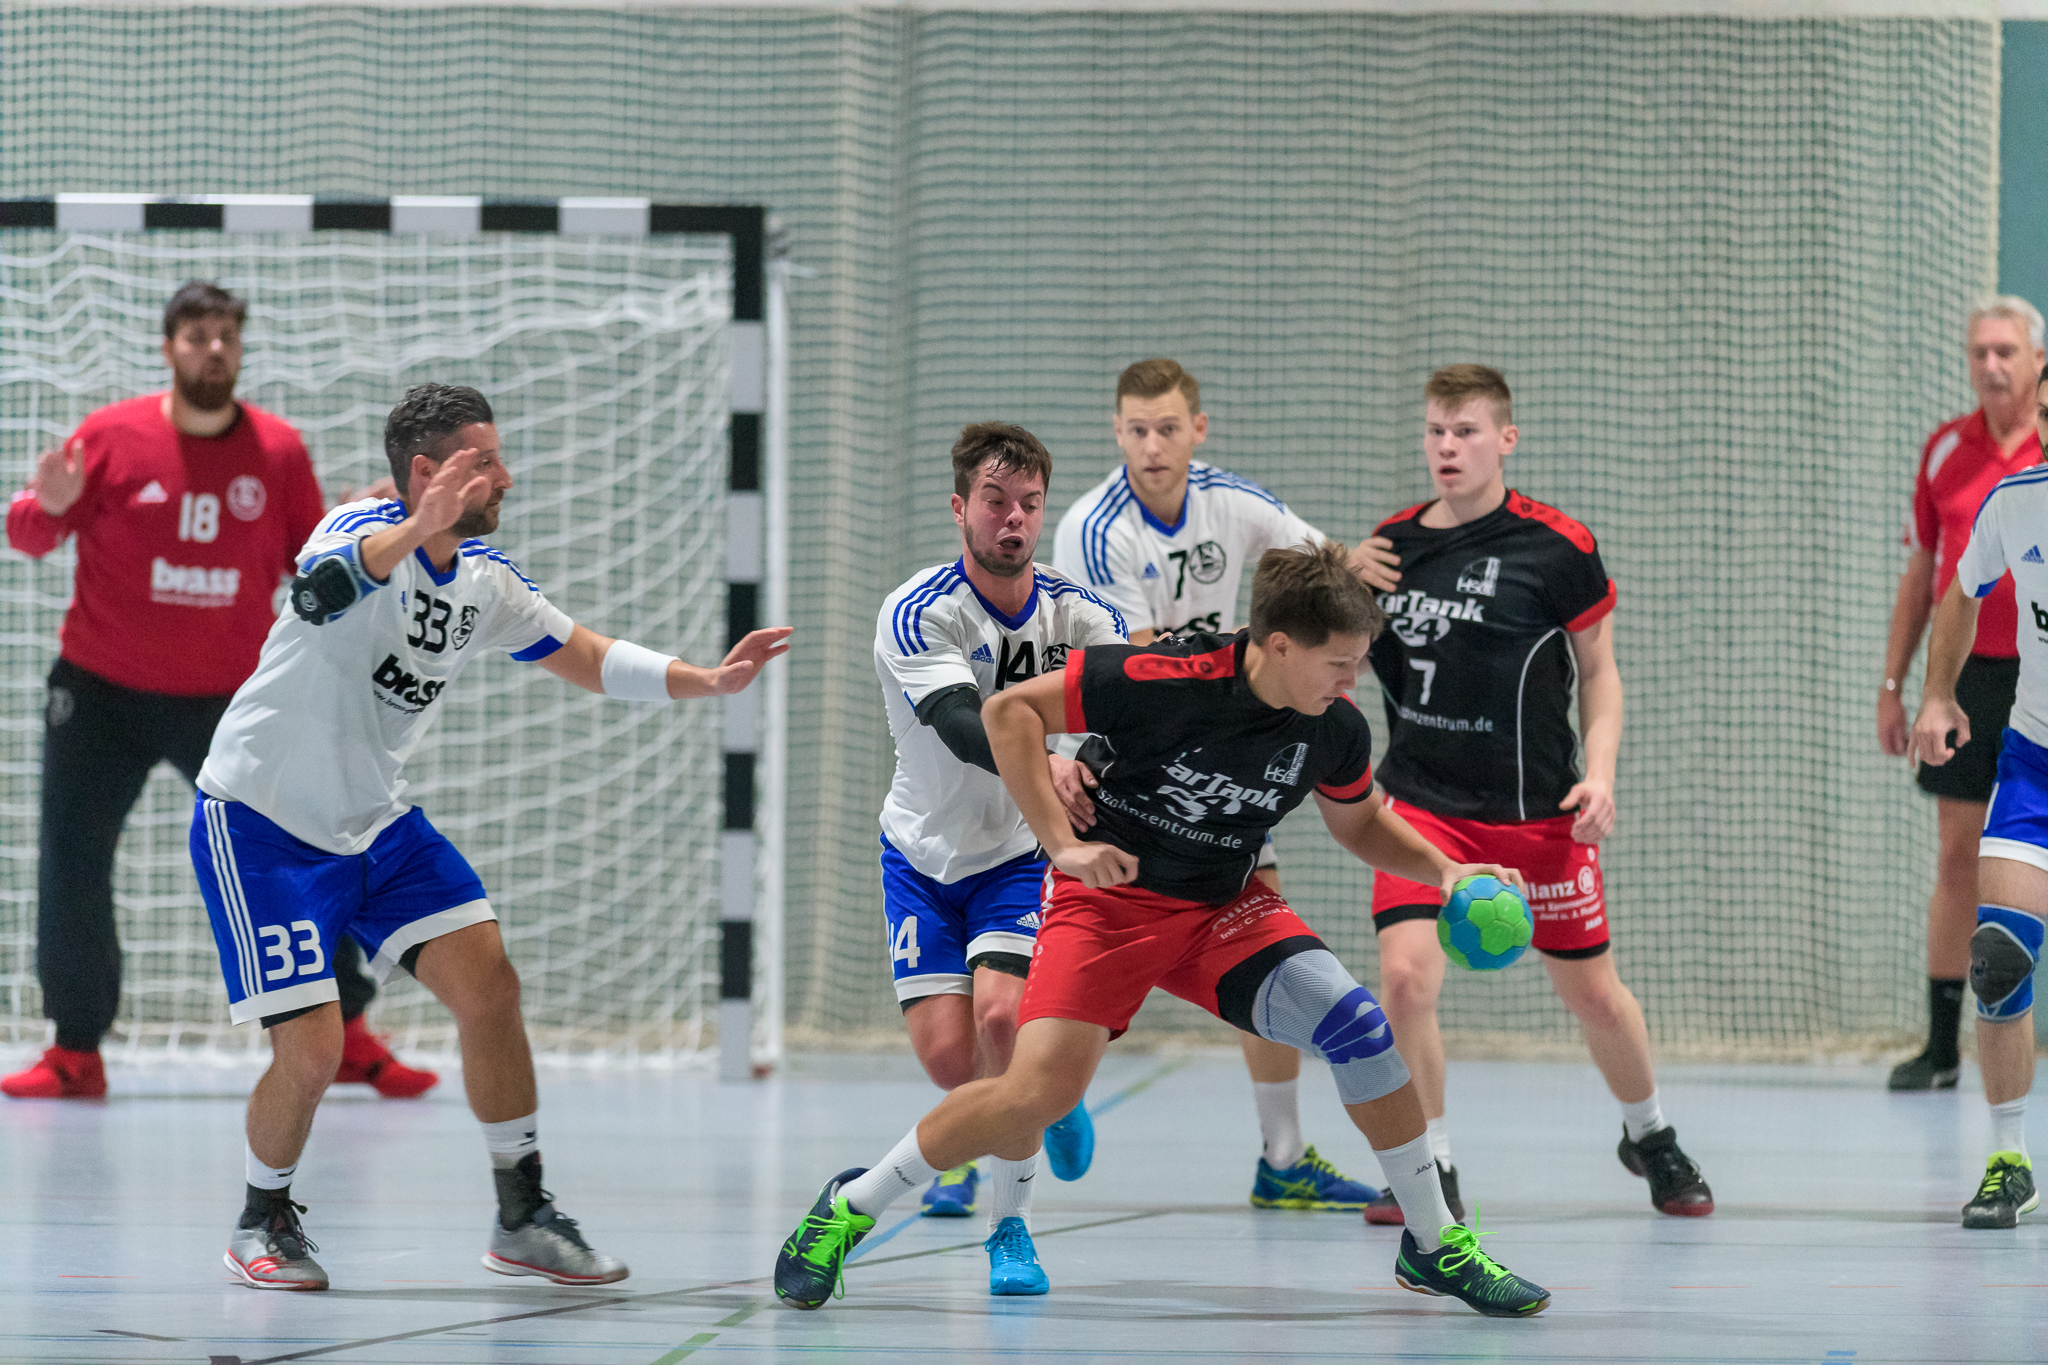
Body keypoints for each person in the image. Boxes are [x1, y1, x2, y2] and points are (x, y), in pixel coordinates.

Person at [776, 541, 1551, 1319]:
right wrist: (1061, 844)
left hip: (1222, 910)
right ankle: (849, 1206)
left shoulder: (1334, 726)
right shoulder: (1162, 679)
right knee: (1033, 1093)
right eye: (1340, 663)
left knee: (1359, 1026)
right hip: (1108, 906)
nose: (1354, 681)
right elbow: (1008, 713)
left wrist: (1447, 871)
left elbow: (1361, 822)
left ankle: (1433, 1241)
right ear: (1280, 645)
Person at [190, 383, 790, 1290]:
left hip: (375, 823)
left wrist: (701, 679)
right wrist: (414, 525)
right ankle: (259, 1219)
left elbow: (583, 651)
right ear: (426, 473)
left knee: (490, 985)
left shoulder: (484, 579)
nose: (505, 477)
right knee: (313, 1047)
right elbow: (321, 591)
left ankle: (522, 1214)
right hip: (261, 824)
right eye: (484, 462)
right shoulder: (356, 528)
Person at [1, 280, 431, 1101]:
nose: (214, 349)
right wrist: (45, 508)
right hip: (100, 695)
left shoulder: (277, 451)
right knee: (72, 860)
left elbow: (311, 568)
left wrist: (351, 528)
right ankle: (75, 1052)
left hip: (231, 699)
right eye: (197, 335)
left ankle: (346, 1034)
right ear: (169, 348)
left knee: (300, 850)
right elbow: (28, 534)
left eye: (226, 335)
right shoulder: (110, 436)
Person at [1356, 364, 1712, 1222]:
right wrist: (1340, 571)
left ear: (1505, 439)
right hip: (1422, 810)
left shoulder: (1559, 547)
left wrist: (1601, 773)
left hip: (1536, 814)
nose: (1447, 446)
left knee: (1593, 995)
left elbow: (1600, 672)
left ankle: (1649, 1133)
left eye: (1466, 430)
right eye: (1436, 430)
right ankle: (1430, 1165)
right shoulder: (1388, 549)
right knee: (1403, 980)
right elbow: (1329, 649)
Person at [1050, 358, 1384, 1211]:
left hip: (1221, 742)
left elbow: (1322, 573)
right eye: (1135, 429)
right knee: (1099, 949)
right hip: (1117, 757)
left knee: (1266, 930)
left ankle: (1283, 1154)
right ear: (1116, 431)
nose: (1151, 446)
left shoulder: (1231, 501)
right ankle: (1047, 1080)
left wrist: (1373, 565)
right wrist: (1257, 647)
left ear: (1197, 429)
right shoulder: (1094, 529)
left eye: (1167, 428)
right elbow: (1133, 663)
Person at [872, 422, 1127, 1293]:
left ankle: (1010, 1229)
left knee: (1002, 1021)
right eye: (994, 500)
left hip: (1019, 852)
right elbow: (956, 720)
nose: (1012, 518)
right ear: (960, 508)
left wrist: (1087, 766)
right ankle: (1054, 1091)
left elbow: (1132, 717)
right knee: (954, 1064)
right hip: (920, 853)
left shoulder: (1083, 614)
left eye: (1028, 503)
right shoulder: (919, 610)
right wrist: (1045, 761)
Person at [1880, 297, 2046, 1091]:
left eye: (2006, 351)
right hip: (1972, 673)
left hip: (2036, 668)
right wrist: (1903, 687)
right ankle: (1943, 1044)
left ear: (2037, 361)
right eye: (1980, 351)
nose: (1992, 365)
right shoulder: (1947, 449)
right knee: (1959, 851)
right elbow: (1928, 576)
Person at [1911, 364, 2048, 1227]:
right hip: (2035, 764)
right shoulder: (2016, 502)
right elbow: (1960, 592)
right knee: (1998, 953)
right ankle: (2010, 1159)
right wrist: (1936, 692)